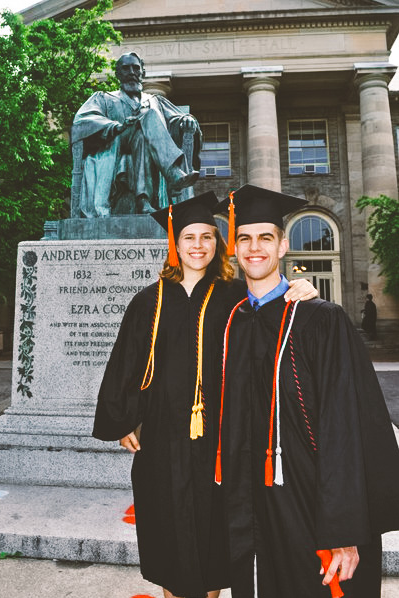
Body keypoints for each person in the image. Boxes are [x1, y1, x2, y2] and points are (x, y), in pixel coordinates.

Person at [93, 191, 317, 598]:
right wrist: (124, 418)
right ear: (174, 244)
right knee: (171, 544)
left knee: (214, 546)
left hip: (221, 440)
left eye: (207, 236)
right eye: (189, 237)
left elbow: (275, 317)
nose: (198, 245)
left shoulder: (236, 296)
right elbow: (124, 361)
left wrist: (302, 289)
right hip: (162, 439)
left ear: (219, 243)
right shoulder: (149, 301)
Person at [215, 184, 399, 598]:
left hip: (310, 499)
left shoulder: (321, 320)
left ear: (283, 246)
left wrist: (345, 528)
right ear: (235, 246)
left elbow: (347, 427)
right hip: (251, 503)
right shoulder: (232, 322)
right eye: (244, 238)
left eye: (266, 237)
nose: (254, 247)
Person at [72, 52, 201, 217]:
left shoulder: (155, 101)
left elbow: (176, 120)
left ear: (143, 73)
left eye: (135, 68)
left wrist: (188, 120)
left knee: (143, 131)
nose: (131, 72)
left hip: (145, 145)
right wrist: (115, 126)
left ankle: (143, 201)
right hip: (115, 145)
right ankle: (173, 173)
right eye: (126, 68)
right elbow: (82, 121)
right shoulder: (104, 98)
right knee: (150, 116)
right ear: (118, 74)